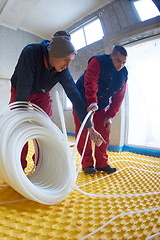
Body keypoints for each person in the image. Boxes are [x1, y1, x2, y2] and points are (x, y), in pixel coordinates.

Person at [10, 30, 104, 170]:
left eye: (70, 61)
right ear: (55, 53)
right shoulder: (30, 53)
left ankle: (41, 164)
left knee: (45, 128)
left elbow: (75, 95)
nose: (67, 65)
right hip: (20, 89)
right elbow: (24, 87)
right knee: (20, 126)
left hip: (41, 93)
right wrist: (20, 115)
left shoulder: (63, 70)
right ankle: (18, 167)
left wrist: (90, 128)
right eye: (66, 60)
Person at [74, 45, 128, 175]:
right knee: (84, 133)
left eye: (124, 62)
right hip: (83, 101)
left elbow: (119, 96)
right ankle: (87, 164)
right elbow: (90, 82)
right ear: (112, 55)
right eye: (118, 61)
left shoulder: (124, 74)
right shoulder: (97, 62)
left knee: (104, 131)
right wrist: (92, 102)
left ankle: (102, 163)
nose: (120, 65)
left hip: (101, 105)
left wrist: (109, 116)